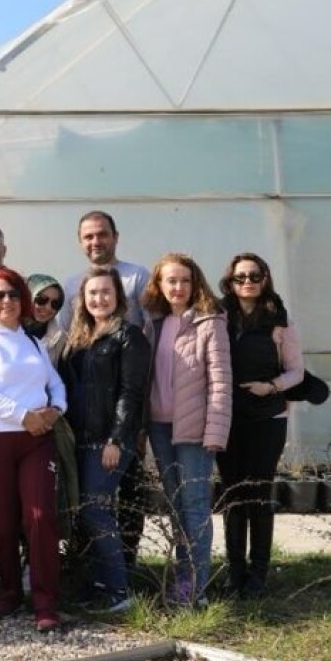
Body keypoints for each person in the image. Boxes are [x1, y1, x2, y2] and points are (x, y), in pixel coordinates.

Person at [0, 267, 66, 633]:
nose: (7, 301)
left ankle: (45, 600)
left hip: (37, 441)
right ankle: (9, 591)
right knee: (2, 523)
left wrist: (56, 410)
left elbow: (56, 383)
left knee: (39, 517)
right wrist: (24, 416)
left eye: (13, 294)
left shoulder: (33, 342)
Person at [58, 211, 153, 571]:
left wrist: (133, 423)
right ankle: (92, 573)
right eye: (88, 237)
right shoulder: (71, 284)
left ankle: (125, 570)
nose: (95, 242)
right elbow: (70, 344)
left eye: (101, 235)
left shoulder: (137, 276)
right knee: (88, 501)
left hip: (124, 414)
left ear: (115, 236)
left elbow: (149, 337)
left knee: (127, 493)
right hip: (89, 419)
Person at [142, 253, 232, 607]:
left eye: (184, 280)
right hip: (160, 428)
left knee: (194, 505)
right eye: (170, 281)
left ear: (195, 284)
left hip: (194, 431)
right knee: (176, 505)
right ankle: (182, 579)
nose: (177, 287)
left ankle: (195, 590)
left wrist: (215, 434)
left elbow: (221, 384)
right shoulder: (155, 324)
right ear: (159, 286)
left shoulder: (211, 322)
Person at [216, 253, 302, 598]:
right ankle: (234, 572)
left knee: (259, 494)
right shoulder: (221, 317)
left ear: (264, 278)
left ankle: (258, 574)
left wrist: (273, 387)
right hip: (228, 416)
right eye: (240, 277)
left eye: (254, 276)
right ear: (231, 282)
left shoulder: (280, 322)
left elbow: (296, 370)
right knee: (232, 495)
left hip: (268, 417)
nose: (247, 282)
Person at [25, 274, 67, 366]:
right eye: (42, 300)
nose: (48, 307)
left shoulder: (61, 340)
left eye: (55, 303)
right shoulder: (9, 331)